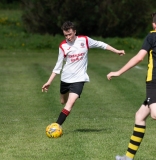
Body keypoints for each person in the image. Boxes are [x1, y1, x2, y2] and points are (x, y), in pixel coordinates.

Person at [42, 21, 125, 127]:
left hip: (79, 79)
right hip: (65, 79)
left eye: (70, 34)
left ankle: (56, 126)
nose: (68, 37)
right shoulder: (63, 46)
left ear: (75, 32)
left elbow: (101, 44)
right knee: (63, 101)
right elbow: (58, 67)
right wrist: (49, 82)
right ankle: (67, 102)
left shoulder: (85, 40)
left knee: (70, 104)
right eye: (66, 35)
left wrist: (116, 51)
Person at [107, 13, 156, 160]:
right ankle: (128, 158)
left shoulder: (152, 36)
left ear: (154, 24)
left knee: (154, 114)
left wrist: (119, 72)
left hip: (154, 81)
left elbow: (139, 57)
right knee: (140, 116)